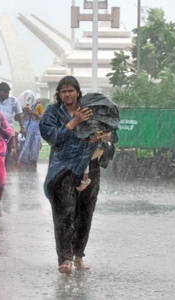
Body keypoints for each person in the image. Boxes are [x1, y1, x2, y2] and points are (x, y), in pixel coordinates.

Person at [39, 75, 114, 274]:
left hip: (90, 167)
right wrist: (74, 122)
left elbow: (110, 128)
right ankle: (65, 258)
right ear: (59, 94)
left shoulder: (90, 109)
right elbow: (53, 137)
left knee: (85, 212)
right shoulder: (52, 112)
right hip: (63, 169)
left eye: (71, 90)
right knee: (65, 213)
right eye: (63, 91)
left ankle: (79, 255)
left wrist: (106, 137)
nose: (67, 94)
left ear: (78, 92)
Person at [0, 82, 25, 171]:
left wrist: (22, 127)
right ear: (0, 91)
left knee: (10, 151)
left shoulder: (13, 100)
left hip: (9, 131)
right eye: (5, 92)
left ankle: (8, 170)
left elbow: (19, 114)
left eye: (8, 92)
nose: (7, 94)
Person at [17, 90, 43, 172]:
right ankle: (23, 163)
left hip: (35, 129)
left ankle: (33, 163)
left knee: (34, 144)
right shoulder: (21, 105)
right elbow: (16, 117)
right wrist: (22, 112)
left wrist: (32, 112)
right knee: (24, 145)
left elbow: (42, 117)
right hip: (25, 129)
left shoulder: (38, 105)